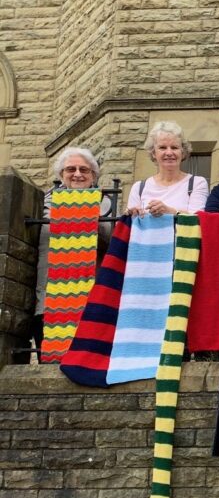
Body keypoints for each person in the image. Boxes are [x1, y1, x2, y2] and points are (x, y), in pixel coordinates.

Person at [34, 146, 112, 353]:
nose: (77, 174)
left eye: (84, 170)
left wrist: (82, 215)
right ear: (61, 175)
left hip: (89, 293)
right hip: (49, 295)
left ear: (93, 176)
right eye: (71, 169)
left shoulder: (105, 203)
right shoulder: (43, 203)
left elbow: (110, 239)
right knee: (49, 359)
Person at [126, 121, 210, 217]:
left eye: (174, 147)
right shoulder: (139, 187)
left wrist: (170, 211)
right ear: (154, 153)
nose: (169, 152)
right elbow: (131, 224)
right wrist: (131, 214)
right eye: (162, 147)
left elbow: (198, 220)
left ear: (182, 152)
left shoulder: (196, 183)